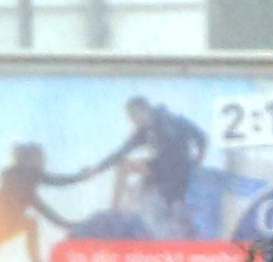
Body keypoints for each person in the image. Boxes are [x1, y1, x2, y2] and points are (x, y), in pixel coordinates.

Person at [83, 96, 211, 230]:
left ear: (144, 110)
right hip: (161, 170)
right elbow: (121, 152)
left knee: (127, 170)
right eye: (130, 117)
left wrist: (197, 163)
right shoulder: (144, 131)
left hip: (177, 171)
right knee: (128, 176)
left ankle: (115, 210)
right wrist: (97, 169)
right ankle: (116, 212)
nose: (132, 121)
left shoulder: (170, 120)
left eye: (133, 116)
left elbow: (202, 138)